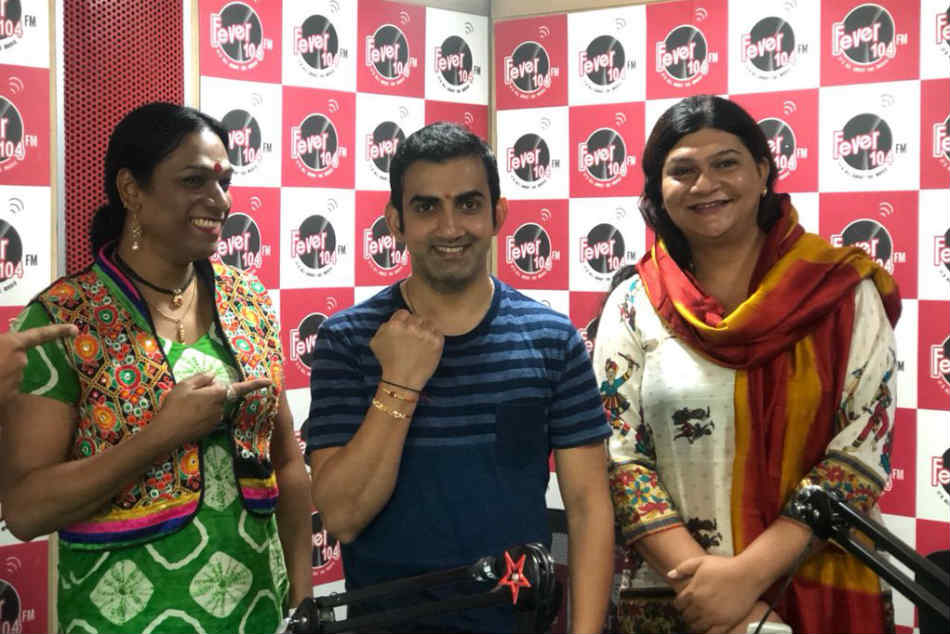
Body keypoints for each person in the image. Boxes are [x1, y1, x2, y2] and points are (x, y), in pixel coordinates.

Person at [591, 95, 900, 634]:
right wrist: (708, 588)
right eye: (682, 171)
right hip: (678, 597)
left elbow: (861, 450)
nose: (705, 184)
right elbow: (619, 461)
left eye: (726, 163)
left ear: (762, 172)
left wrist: (744, 579)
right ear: (658, 190)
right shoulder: (633, 304)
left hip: (819, 592)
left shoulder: (841, 292)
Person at [0, 103, 311, 634]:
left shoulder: (249, 300)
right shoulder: (64, 319)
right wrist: (159, 437)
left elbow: (285, 463)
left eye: (224, 182)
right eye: (194, 181)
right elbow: (26, 510)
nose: (220, 200)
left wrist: (302, 600)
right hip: (121, 617)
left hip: (256, 612)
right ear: (131, 191)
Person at [305, 122, 614, 633]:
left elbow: (587, 508)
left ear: (498, 215)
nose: (450, 228)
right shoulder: (349, 339)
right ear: (396, 222)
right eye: (427, 207)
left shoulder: (552, 338)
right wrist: (399, 383)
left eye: (468, 204)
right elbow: (341, 517)